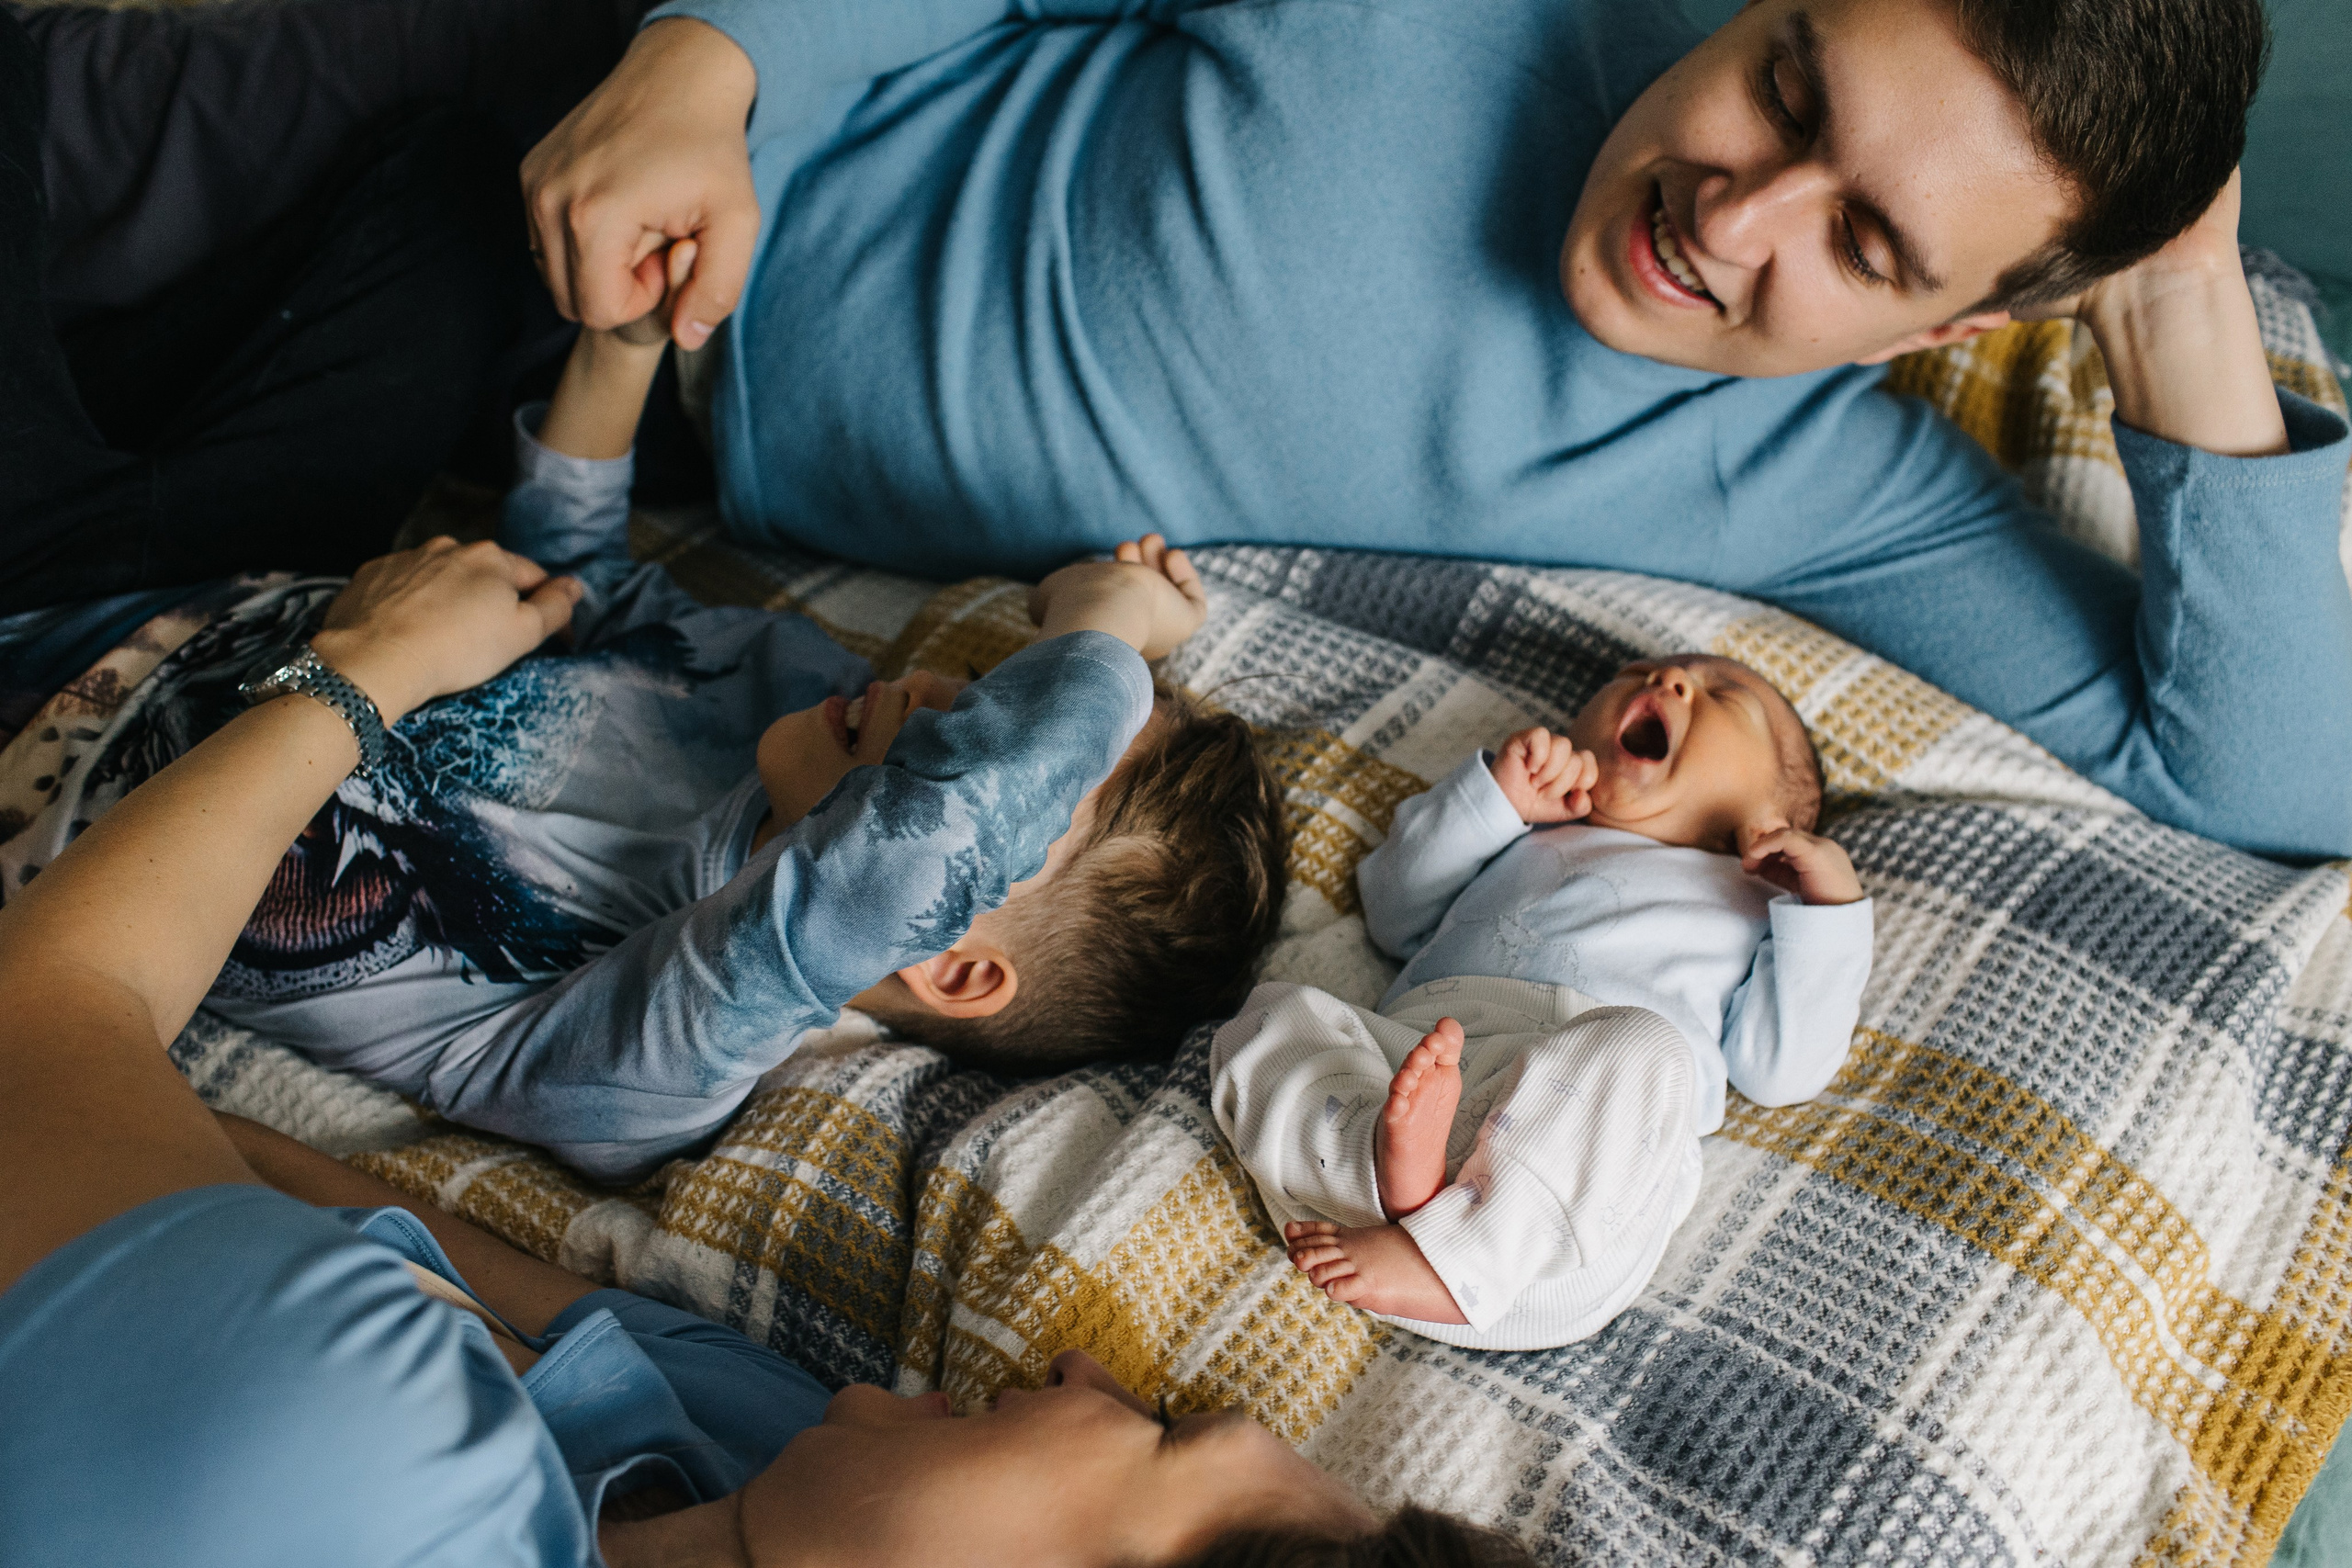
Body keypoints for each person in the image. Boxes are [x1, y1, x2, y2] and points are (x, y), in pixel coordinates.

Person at [0, 527, 1532, 1567]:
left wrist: (1107, 630)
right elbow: (264, 1206)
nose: (1092, 1370)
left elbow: (45, 1023)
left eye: (1159, 1440)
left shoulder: (355, 1459)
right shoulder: (788, 1439)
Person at [520, 0, 2352, 862]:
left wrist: (2174, 294)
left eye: (1859, 242)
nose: (1727, 216)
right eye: (1781, 85)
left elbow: (2266, 776)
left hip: (608, 473)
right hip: (634, 132)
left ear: (1950, 324)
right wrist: (707, 63)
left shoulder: (1810, 488)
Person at [5, 277, 1289, 1183]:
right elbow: (578, 591)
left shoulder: (666, 1050)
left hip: (29, 738)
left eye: (987, 733)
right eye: (1006, 679)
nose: (945, 693)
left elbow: (907, 851)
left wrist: (1106, 626)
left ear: (948, 961)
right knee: (449, 201)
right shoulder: (805, 704)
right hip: (209, 572)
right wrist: (619, 350)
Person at [1213, 655, 1871, 1349]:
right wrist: (1494, 800)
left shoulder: (1760, 903)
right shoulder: (1525, 826)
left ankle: (1455, 1252)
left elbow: (1782, 1069)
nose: (1667, 681)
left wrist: (1829, 909)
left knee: (1647, 1049)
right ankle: (1385, 1174)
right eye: (1641, 671)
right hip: (1422, 1067)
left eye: (1726, 697)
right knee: (1268, 1016)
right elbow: (1391, 908)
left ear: (1771, 815)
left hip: (1563, 1201)